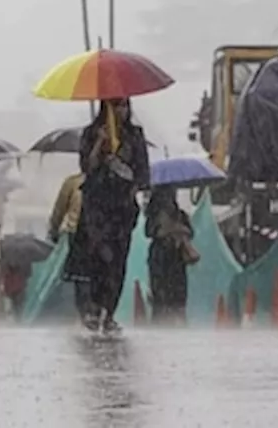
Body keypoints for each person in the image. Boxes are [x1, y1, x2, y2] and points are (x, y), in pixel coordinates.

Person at [63, 98, 150, 334]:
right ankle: (92, 308)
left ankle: (108, 312)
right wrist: (100, 144)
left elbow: (142, 174)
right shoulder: (92, 133)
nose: (121, 111)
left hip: (121, 210)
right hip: (96, 208)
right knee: (96, 258)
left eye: (124, 105)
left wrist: (126, 176)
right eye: (116, 106)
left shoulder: (134, 135)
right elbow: (87, 168)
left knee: (117, 263)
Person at [144, 186, 197, 325]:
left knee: (175, 295)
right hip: (162, 258)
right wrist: (167, 230)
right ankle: (164, 320)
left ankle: (173, 320)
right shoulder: (155, 217)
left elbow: (191, 232)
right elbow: (150, 232)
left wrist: (177, 228)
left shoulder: (180, 215)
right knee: (163, 295)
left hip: (174, 257)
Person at [48, 172, 91, 318]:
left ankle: (88, 311)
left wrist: (54, 230)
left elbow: (59, 209)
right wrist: (54, 229)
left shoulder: (74, 182)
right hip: (80, 234)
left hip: (91, 235)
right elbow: (59, 209)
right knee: (83, 277)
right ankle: (87, 311)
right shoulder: (73, 182)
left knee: (86, 277)